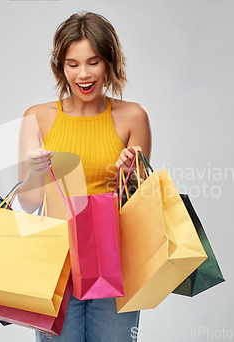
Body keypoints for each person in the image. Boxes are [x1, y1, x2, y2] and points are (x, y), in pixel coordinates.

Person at [17, 11, 152, 342]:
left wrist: (132, 177)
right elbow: (29, 202)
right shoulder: (37, 117)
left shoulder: (132, 116)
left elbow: (142, 206)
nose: (83, 74)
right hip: (56, 262)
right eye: (72, 63)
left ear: (109, 62)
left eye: (93, 62)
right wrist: (35, 175)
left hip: (113, 261)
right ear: (60, 66)